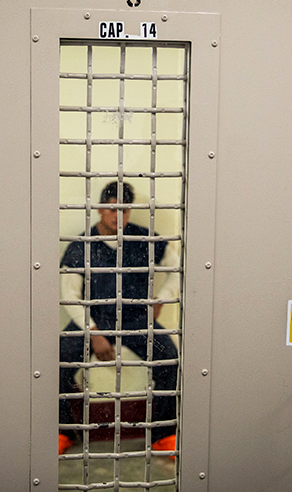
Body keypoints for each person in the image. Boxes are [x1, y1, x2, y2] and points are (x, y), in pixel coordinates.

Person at [58, 181, 179, 456]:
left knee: (169, 358)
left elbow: (179, 269)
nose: (118, 215)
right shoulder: (81, 246)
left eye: (124, 210)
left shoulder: (145, 239)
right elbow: (70, 296)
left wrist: (161, 298)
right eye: (112, 209)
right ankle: (63, 433)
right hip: (96, 319)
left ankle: (163, 435)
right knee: (58, 362)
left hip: (136, 320)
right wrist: (93, 332)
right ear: (100, 210)